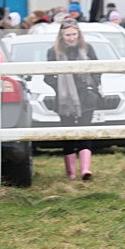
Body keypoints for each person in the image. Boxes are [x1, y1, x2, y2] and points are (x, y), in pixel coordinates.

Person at [45, 19, 100, 180]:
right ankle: (70, 173)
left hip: (86, 95)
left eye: (74, 34)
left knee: (85, 130)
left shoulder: (88, 49)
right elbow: (47, 76)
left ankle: (85, 169)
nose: (71, 37)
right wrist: (59, 87)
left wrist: (93, 86)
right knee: (68, 132)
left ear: (79, 34)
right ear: (62, 36)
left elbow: (99, 69)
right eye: (68, 34)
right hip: (64, 98)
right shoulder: (53, 52)